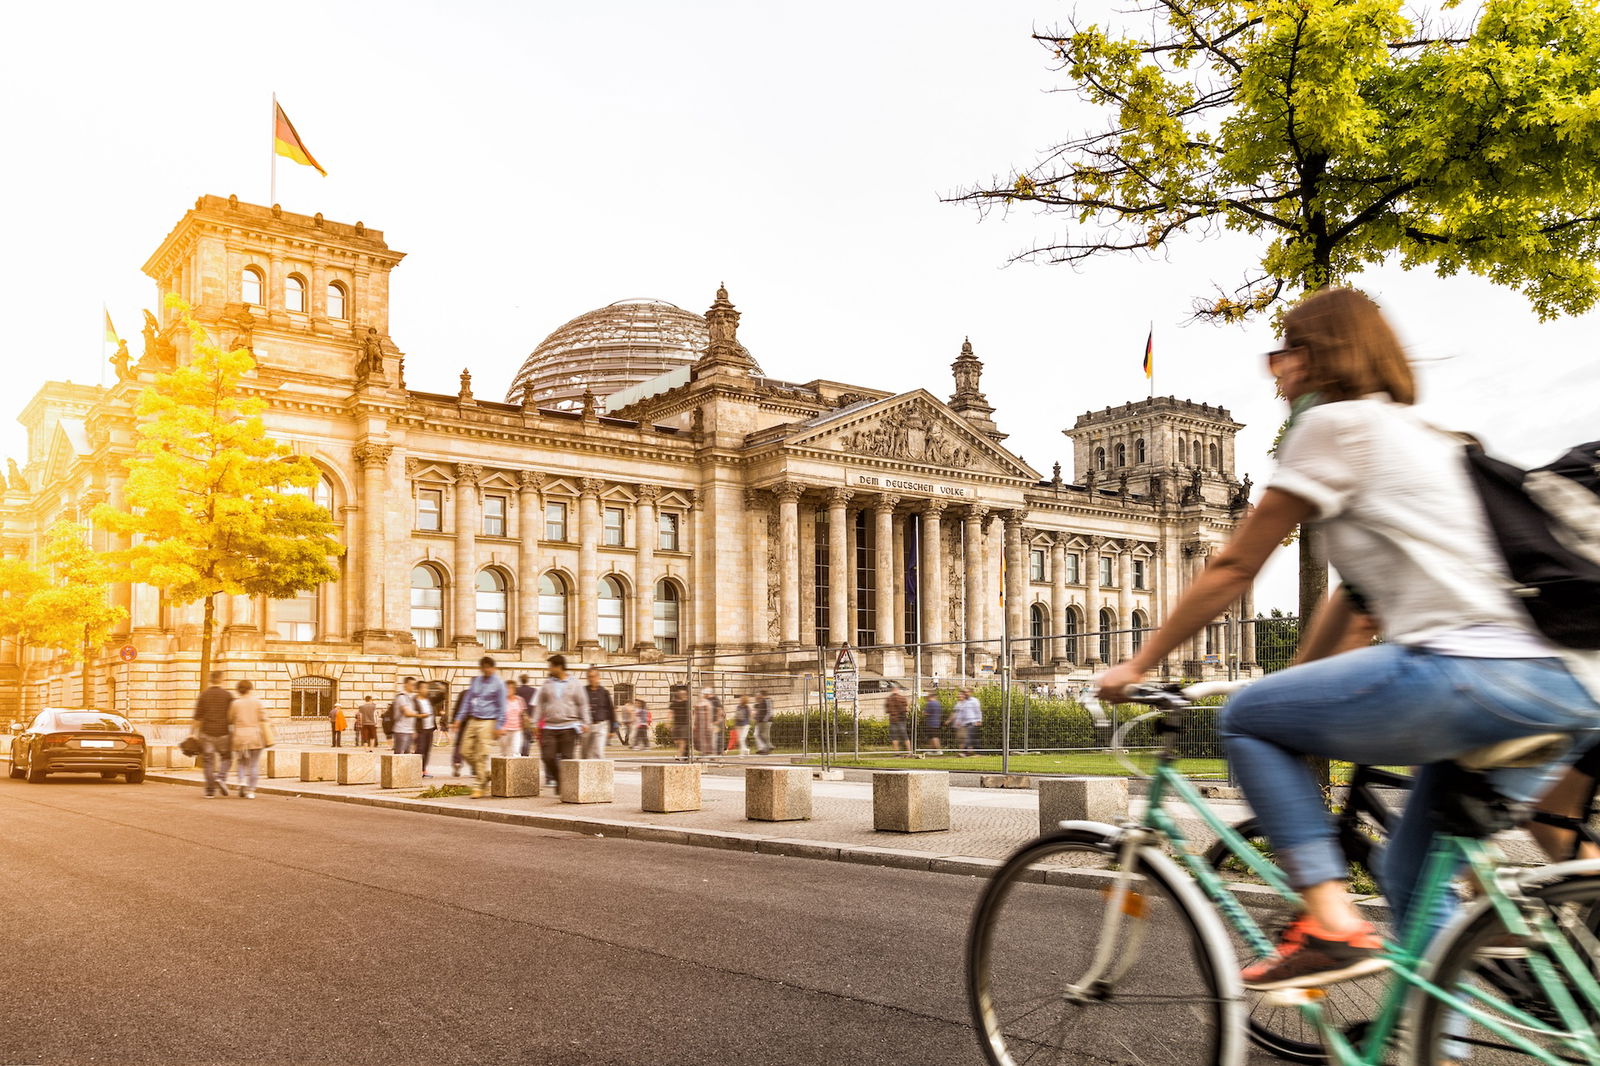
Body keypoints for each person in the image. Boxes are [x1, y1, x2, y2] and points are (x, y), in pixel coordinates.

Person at [1097, 288, 1600, 990]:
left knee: (1246, 718)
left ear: (1319, 356)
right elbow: (1357, 597)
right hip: (1565, 685)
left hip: (1466, 673)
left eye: (1285, 351)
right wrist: (1302, 683)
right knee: (1412, 879)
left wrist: (1139, 662)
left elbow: (1236, 564)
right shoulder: (1438, 441)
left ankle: (1331, 921)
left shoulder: (1333, 427)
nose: (1275, 370)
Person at [451, 657, 509, 797]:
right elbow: (467, 701)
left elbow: (502, 707)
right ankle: (485, 774)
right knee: (464, 751)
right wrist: (459, 718)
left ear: (493, 668)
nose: (486, 670)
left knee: (481, 754)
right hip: (473, 719)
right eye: (484, 667)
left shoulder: (499, 684)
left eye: (489, 667)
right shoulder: (476, 681)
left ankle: (479, 786)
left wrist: (499, 725)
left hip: (488, 721)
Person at [536, 654, 589, 787]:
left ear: (559, 667)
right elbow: (540, 704)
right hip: (549, 726)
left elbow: (582, 703)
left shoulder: (574, 683)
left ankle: (566, 787)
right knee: (547, 757)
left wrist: (586, 721)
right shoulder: (547, 684)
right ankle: (560, 780)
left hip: (569, 726)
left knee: (567, 759)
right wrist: (534, 723)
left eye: (551, 666)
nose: (549, 670)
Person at [192, 671, 234, 798]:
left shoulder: (204, 695)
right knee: (226, 758)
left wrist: (192, 734)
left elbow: (197, 717)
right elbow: (232, 716)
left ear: (211, 680)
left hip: (207, 733)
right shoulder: (228, 695)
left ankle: (210, 791)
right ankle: (221, 777)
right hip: (223, 732)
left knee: (208, 762)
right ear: (221, 679)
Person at [227, 679, 269, 799]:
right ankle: (251, 790)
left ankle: (242, 782)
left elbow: (230, 719)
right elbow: (264, 717)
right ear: (250, 688)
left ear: (239, 690)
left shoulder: (235, 703)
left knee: (241, 762)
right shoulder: (257, 702)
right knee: (253, 764)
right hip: (254, 736)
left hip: (239, 737)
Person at [582, 668, 614, 759]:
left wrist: (612, 729)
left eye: (593, 676)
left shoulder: (604, 692)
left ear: (598, 677)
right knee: (585, 754)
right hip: (587, 726)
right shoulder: (583, 691)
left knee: (598, 752)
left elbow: (610, 710)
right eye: (589, 677)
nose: (591, 679)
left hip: (601, 725)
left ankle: (600, 772)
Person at [390, 678, 420, 755]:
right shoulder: (401, 697)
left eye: (415, 685)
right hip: (401, 730)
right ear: (406, 685)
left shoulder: (412, 698)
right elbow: (407, 713)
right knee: (399, 755)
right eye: (412, 685)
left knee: (407, 756)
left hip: (409, 730)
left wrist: (414, 730)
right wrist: (420, 714)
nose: (414, 687)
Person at [414, 683, 437, 778]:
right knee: (420, 750)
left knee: (427, 750)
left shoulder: (429, 700)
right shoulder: (414, 701)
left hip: (430, 728)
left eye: (427, 687)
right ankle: (415, 769)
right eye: (424, 688)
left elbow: (440, 697)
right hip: (420, 729)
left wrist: (442, 689)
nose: (426, 689)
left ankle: (423, 770)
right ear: (419, 689)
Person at [952, 688, 982, 756]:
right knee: (972, 738)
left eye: (967, 692)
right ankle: (972, 753)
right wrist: (959, 721)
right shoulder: (964, 702)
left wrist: (979, 720)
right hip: (965, 723)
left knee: (968, 737)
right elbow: (962, 713)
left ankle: (965, 753)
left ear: (971, 693)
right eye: (965, 692)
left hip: (973, 722)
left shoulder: (974, 701)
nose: (966, 693)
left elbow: (978, 711)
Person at [501, 680, 526, 759]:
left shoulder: (519, 700)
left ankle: (516, 770)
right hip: (505, 730)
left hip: (517, 729)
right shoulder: (502, 701)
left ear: (514, 689)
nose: (508, 690)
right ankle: (505, 769)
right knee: (504, 752)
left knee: (516, 751)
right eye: (507, 688)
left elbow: (523, 713)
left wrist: (523, 724)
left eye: (511, 688)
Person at [516, 674, 537, 756]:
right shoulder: (533, 690)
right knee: (527, 737)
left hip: (519, 716)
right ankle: (525, 754)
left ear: (520, 680)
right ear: (527, 680)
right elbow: (535, 705)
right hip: (530, 716)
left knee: (520, 737)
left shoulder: (517, 690)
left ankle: (520, 753)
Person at [885, 684, 910, 752]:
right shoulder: (902, 698)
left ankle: (896, 753)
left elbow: (887, 710)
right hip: (901, 720)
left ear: (892, 690)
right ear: (898, 690)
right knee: (905, 737)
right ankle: (909, 752)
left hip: (893, 720)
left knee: (894, 738)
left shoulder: (889, 699)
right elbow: (907, 709)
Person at [669, 684, 692, 758]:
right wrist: (668, 722)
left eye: (684, 694)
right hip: (677, 724)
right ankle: (685, 754)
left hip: (685, 724)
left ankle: (679, 756)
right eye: (681, 693)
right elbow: (670, 713)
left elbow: (691, 712)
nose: (683, 695)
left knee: (682, 741)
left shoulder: (687, 703)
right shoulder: (674, 703)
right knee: (677, 741)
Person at [752, 690, 774, 755]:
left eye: (760, 694)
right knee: (761, 734)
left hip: (765, 721)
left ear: (762, 694)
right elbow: (760, 712)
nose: (759, 695)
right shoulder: (763, 701)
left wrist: (765, 719)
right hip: (761, 721)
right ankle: (766, 748)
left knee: (763, 735)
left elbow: (769, 711)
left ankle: (768, 747)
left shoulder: (767, 700)